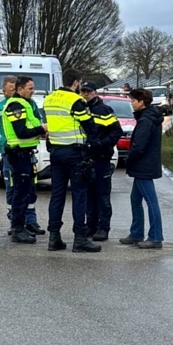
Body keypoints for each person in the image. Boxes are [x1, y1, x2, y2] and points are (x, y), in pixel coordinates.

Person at [43, 69, 101, 253]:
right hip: (75, 154)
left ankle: (54, 238)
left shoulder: (49, 99)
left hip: (56, 152)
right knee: (79, 196)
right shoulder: (76, 101)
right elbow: (89, 126)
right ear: (76, 83)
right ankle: (80, 238)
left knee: (57, 196)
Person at [2, 76, 49, 244]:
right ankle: (17, 228)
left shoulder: (26, 104)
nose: (33, 91)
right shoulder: (15, 105)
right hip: (18, 154)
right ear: (20, 89)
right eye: (30, 88)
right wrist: (41, 128)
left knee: (27, 190)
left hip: (25, 153)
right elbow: (21, 131)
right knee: (21, 192)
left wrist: (40, 130)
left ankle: (23, 226)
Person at [120, 88, 165, 249]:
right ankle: (137, 233)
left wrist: (129, 159)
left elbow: (139, 146)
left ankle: (155, 237)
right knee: (135, 200)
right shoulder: (149, 117)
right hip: (145, 165)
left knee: (151, 201)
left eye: (133, 100)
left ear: (141, 102)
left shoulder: (146, 120)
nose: (131, 103)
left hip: (143, 166)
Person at [80, 82, 124, 242]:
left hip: (101, 158)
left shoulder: (104, 110)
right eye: (83, 91)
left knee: (102, 195)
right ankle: (90, 226)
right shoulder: (80, 109)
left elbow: (117, 131)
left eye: (88, 91)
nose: (85, 94)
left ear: (94, 92)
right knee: (88, 195)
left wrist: (101, 143)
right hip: (86, 158)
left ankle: (103, 228)